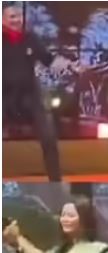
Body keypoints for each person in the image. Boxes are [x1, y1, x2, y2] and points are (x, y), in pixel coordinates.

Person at [2, 4, 78, 181]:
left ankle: (55, 180)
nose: (17, 20)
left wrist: (69, 65)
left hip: (30, 96)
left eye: (19, 16)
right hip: (4, 96)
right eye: (12, 17)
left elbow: (48, 60)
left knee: (48, 136)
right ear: (3, 20)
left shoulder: (30, 38)